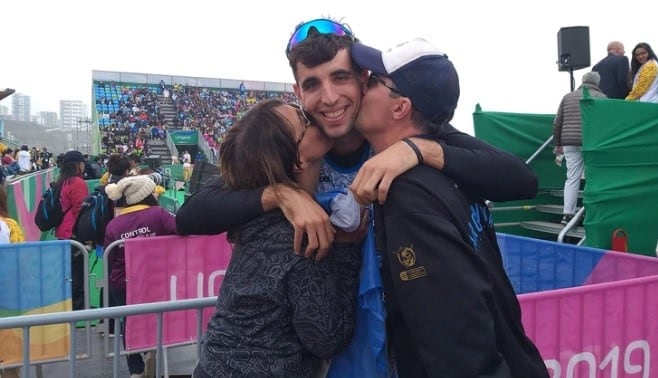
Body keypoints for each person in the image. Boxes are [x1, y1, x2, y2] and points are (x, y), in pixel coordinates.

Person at [177, 18, 538, 378]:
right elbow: (192, 213)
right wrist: (281, 194)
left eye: (340, 77)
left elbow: (519, 178)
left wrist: (416, 149)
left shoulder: (394, 133)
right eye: (313, 84)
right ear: (298, 92)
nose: (330, 98)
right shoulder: (296, 150)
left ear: (362, 79)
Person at [350, 37, 549, 378]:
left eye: (371, 81)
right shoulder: (446, 158)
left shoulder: (408, 194)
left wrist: (417, 150)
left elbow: (459, 347)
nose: (360, 85)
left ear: (400, 108)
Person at [193, 98, 361, 377]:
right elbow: (327, 337)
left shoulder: (254, 216)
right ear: (298, 159)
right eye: (303, 122)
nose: (310, 115)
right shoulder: (300, 234)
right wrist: (347, 249)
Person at [103, 174, 177, 378]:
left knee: (130, 323)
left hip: (122, 283)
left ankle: (135, 369)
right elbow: (180, 228)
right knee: (157, 316)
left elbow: (110, 257)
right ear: (147, 194)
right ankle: (153, 352)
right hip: (154, 278)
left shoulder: (114, 225)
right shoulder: (159, 214)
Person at [553, 71, 607, 225]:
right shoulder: (601, 98)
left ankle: (567, 214)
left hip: (569, 142)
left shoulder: (568, 97)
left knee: (572, 178)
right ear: (597, 83)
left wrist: (558, 143)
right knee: (592, 177)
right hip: (591, 142)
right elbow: (604, 122)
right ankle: (591, 212)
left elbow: (557, 122)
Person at [54, 150, 90, 310]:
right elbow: (80, 210)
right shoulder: (78, 183)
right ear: (78, 164)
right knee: (76, 271)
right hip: (74, 232)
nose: (84, 165)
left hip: (63, 231)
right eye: (82, 162)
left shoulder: (62, 181)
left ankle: (69, 303)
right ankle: (77, 305)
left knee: (68, 270)